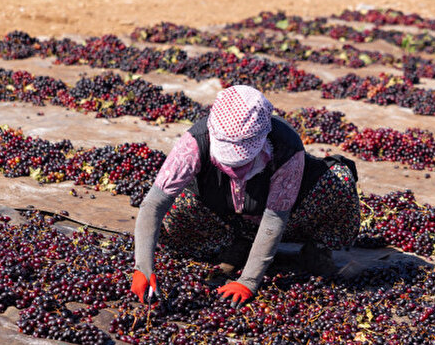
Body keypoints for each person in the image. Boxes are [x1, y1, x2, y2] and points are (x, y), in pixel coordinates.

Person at [130, 85, 360, 308]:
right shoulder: (194, 142)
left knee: (339, 179)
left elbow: (274, 219)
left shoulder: (287, 148)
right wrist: (143, 266)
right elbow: (154, 204)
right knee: (175, 209)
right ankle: (235, 244)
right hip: (224, 216)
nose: (234, 167)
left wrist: (249, 281)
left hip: (290, 218)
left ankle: (316, 249)